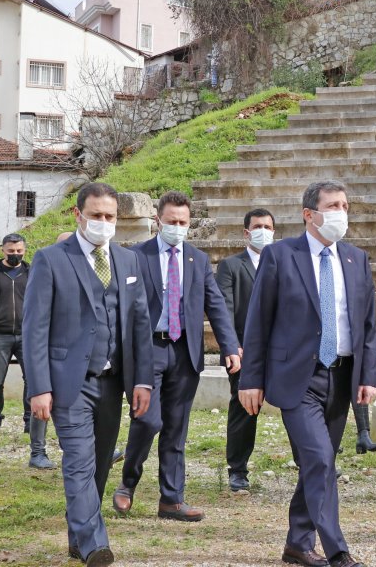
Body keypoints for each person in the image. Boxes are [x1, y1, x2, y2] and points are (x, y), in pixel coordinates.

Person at [239, 180, 376, 567]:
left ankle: (297, 544)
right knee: (319, 459)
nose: (341, 213)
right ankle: (337, 550)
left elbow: (368, 325)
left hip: (341, 376)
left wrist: (369, 375)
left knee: (320, 462)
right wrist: (250, 379)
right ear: (309, 214)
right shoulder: (281, 255)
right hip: (297, 378)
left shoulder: (356, 259)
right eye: (333, 206)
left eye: (345, 206)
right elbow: (258, 321)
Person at [22, 183, 153, 567]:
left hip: (112, 382)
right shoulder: (50, 260)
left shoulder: (128, 262)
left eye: (110, 216)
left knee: (97, 463)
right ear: (78, 215)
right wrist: (39, 387)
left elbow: (140, 324)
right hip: (69, 383)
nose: (103, 222)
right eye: (96, 215)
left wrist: (142, 380)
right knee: (78, 460)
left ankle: (78, 536)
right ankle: (95, 544)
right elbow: (34, 328)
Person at [114, 191, 241, 521]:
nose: (177, 227)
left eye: (183, 222)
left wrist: (229, 345)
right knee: (147, 419)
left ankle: (171, 500)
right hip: (148, 349)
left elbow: (215, 304)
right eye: (172, 221)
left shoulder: (197, 260)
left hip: (185, 351)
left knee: (175, 428)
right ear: (158, 220)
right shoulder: (136, 256)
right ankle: (128, 481)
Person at [0, 233, 55, 469]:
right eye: (11, 251)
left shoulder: (32, 271)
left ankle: (28, 421)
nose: (15, 255)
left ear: (25, 250)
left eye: (19, 251)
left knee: (32, 379)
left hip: (27, 335)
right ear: (2, 250)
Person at [214, 207, 275, 492]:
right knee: (244, 409)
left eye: (268, 227)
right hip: (243, 352)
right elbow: (224, 309)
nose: (263, 231)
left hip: (281, 351)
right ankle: (237, 470)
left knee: (299, 408)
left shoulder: (283, 263)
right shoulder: (231, 266)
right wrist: (231, 346)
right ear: (246, 232)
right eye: (258, 226)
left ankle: (311, 463)